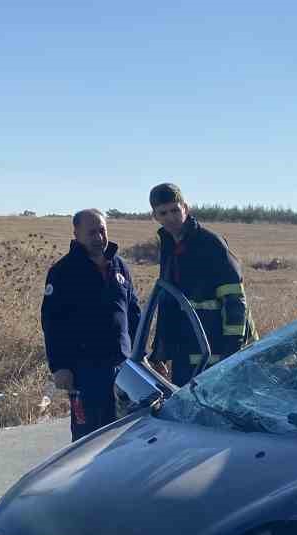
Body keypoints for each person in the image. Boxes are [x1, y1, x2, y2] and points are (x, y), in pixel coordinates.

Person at [42, 209, 141, 441]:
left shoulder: (120, 267)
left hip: (123, 367)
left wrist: (142, 355)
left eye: (102, 230)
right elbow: (52, 322)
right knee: (89, 438)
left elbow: (133, 313)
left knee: (123, 434)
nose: (98, 237)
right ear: (76, 234)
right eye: (91, 232)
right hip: (85, 371)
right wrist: (60, 366)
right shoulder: (63, 272)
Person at [147, 183, 255, 383]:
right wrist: (160, 351)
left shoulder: (210, 244)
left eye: (175, 210)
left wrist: (232, 351)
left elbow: (235, 300)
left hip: (219, 354)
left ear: (185, 208)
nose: (170, 218)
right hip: (187, 352)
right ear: (155, 216)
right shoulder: (169, 246)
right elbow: (169, 302)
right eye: (163, 213)